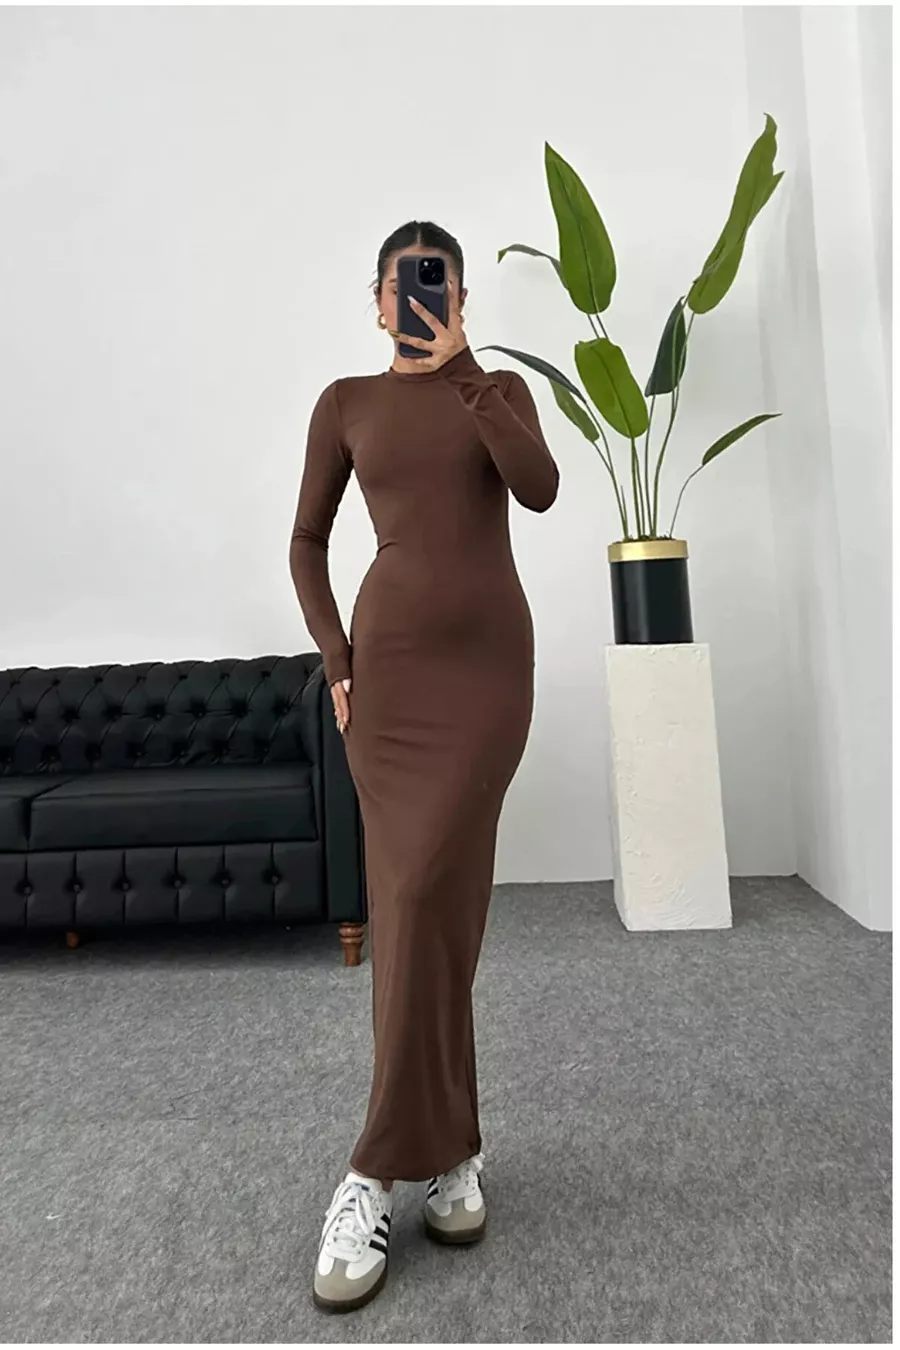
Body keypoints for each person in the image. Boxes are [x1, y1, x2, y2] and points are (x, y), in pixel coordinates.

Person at [289, 221, 559, 1313]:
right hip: (389, 685)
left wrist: (468, 370)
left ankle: (373, 1169)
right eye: (403, 288)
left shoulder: (495, 391)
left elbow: (538, 488)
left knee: (436, 900)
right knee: (413, 906)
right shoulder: (344, 402)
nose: (418, 304)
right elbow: (307, 540)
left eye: (436, 287)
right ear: (375, 300)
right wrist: (336, 657)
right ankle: (447, 1154)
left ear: (458, 300)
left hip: (487, 679)